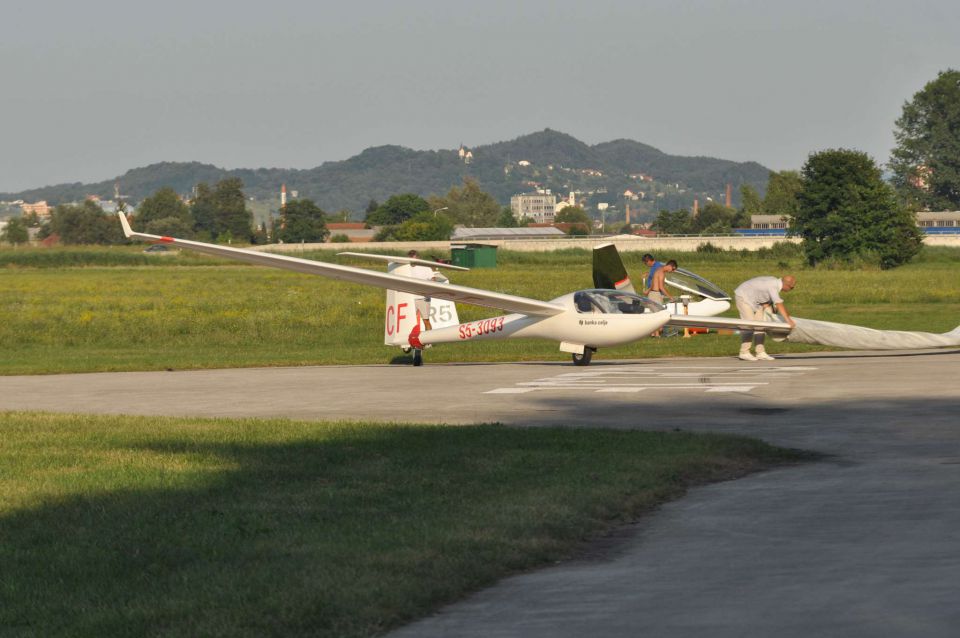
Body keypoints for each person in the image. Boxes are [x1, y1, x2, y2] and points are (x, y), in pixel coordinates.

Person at [734, 275, 796, 361]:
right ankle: (744, 352)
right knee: (749, 324)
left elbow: (762, 291)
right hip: (743, 296)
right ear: (787, 285)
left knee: (761, 326)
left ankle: (760, 352)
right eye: (792, 288)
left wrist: (767, 302)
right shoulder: (773, 286)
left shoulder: (776, 283)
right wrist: (788, 320)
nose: (791, 289)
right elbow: (779, 303)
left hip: (757, 301)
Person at [645, 259, 677, 336]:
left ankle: (653, 334)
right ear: (669, 266)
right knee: (658, 316)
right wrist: (670, 297)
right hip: (655, 295)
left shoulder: (658, 270)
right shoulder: (662, 273)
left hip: (652, 294)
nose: (672, 271)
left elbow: (653, 284)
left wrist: (648, 291)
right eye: (673, 269)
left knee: (654, 315)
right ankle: (657, 335)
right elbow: (661, 287)